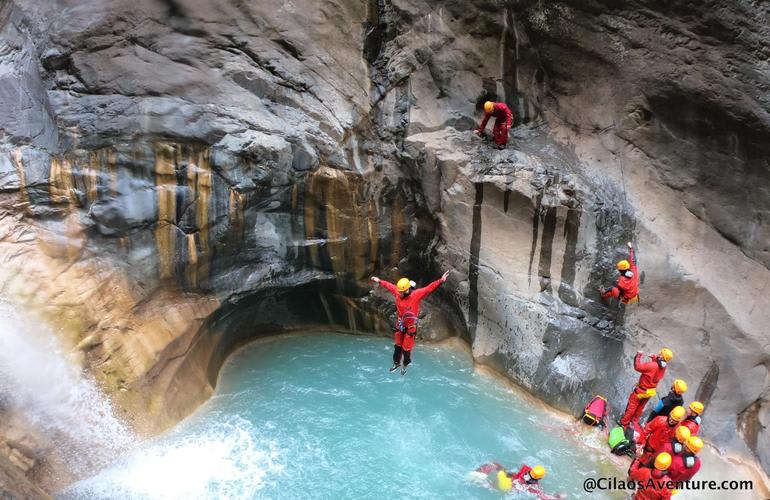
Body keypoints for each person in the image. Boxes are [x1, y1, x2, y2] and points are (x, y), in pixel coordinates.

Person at [371, 271, 450, 374]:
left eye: (401, 292)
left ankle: (404, 365)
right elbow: (389, 286)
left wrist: (441, 280)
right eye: (398, 291)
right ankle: (396, 363)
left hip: (410, 327)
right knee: (397, 346)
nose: (399, 293)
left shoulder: (416, 295)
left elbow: (428, 288)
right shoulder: (398, 292)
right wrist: (379, 281)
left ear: (407, 289)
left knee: (406, 350)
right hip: (400, 325)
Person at [618, 348, 673, 427]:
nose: (658, 353)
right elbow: (657, 365)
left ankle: (624, 422)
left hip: (641, 391)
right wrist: (654, 358)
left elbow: (637, 367)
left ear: (661, 356)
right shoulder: (663, 367)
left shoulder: (652, 366)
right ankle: (634, 422)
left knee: (632, 406)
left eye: (660, 353)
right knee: (640, 407)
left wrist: (638, 355)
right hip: (650, 391)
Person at [474, 463, 562, 499]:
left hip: (509, 480)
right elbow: (542, 496)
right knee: (494, 487)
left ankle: (479, 473)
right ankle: (485, 484)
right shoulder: (534, 487)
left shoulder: (525, 470)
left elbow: (512, 475)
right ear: (540, 478)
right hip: (509, 488)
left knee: (496, 465)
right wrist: (557, 497)